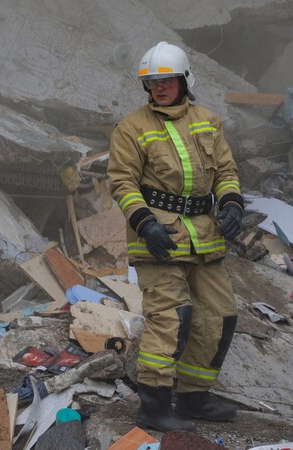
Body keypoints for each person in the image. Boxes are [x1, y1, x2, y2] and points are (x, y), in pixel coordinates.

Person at [107, 41, 243, 433]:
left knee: (219, 316)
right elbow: (121, 182)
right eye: (152, 83)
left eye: (167, 81)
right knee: (171, 318)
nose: (159, 88)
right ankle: (154, 405)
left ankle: (194, 396)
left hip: (205, 235)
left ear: (184, 80)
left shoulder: (207, 121)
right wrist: (146, 224)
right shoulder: (132, 128)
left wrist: (232, 205)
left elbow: (226, 173)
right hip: (160, 236)